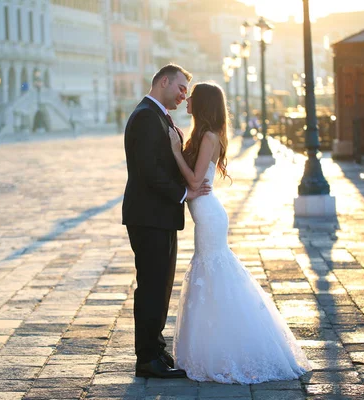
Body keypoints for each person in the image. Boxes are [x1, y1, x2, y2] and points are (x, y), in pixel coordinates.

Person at [168, 82, 311, 384]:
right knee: (212, 277)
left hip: (208, 214)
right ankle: (217, 347)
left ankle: (231, 349)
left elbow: (194, 182)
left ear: (203, 103)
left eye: (192, 95)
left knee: (215, 275)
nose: (187, 99)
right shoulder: (202, 134)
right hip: (206, 212)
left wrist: (174, 151)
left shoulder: (207, 136)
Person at [122, 64, 211, 379]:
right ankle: (147, 358)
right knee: (152, 287)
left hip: (158, 216)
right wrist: (183, 193)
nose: (183, 96)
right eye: (181, 88)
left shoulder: (156, 115)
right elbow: (149, 170)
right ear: (163, 82)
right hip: (150, 216)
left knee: (160, 287)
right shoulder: (147, 117)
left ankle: (156, 351)